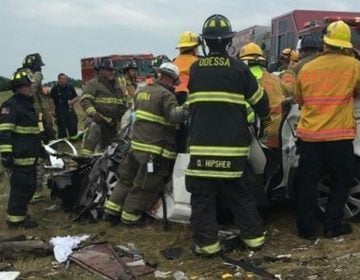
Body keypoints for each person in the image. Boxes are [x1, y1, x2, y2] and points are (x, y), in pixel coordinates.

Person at [186, 14, 270, 257]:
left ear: (206, 42)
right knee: (241, 196)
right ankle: (253, 239)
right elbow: (261, 104)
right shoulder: (239, 68)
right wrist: (266, 119)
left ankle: (207, 245)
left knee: (202, 200)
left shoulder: (195, 69)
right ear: (229, 41)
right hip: (233, 151)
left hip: (201, 151)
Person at [294, 20, 360, 240]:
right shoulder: (353, 66)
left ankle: (306, 230)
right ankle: (332, 226)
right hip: (338, 137)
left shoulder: (306, 68)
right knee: (341, 180)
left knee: (307, 183)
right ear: (346, 44)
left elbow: (299, 100)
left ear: (325, 42)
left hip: (309, 136)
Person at [103, 62, 188, 225]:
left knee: (126, 180)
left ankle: (111, 212)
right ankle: (130, 217)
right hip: (154, 151)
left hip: (135, 147)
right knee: (145, 185)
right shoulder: (166, 96)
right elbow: (174, 116)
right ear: (171, 78)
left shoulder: (142, 92)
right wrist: (189, 106)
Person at [0, 69, 46, 228]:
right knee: (21, 188)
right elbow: (5, 131)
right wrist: (6, 153)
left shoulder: (27, 105)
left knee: (29, 186)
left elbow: (32, 132)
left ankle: (20, 214)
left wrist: (40, 149)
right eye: (27, 86)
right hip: (19, 156)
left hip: (30, 154)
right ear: (19, 88)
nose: (30, 88)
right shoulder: (11, 105)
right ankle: (15, 221)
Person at [239, 42, 294, 149]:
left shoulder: (238, 81)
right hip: (277, 138)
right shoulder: (274, 79)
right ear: (263, 61)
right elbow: (291, 91)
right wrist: (289, 72)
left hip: (249, 138)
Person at [21, 53, 54, 202]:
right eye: (39, 68)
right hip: (32, 124)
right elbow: (31, 90)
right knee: (38, 157)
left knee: (42, 154)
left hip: (40, 122)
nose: (41, 70)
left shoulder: (34, 82)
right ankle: (37, 189)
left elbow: (42, 102)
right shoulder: (28, 79)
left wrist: (49, 123)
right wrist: (37, 76)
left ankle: (38, 187)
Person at [80, 58, 127, 155]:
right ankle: (85, 159)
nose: (111, 72)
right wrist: (93, 114)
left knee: (109, 151)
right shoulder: (93, 84)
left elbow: (121, 104)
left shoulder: (117, 86)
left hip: (111, 123)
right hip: (97, 120)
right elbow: (85, 100)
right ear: (101, 71)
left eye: (112, 70)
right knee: (93, 131)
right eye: (108, 70)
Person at [173, 31, 201, 153]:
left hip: (174, 95)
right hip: (189, 96)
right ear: (194, 48)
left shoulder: (174, 62)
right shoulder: (198, 62)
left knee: (178, 130)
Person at [50, 73, 78, 140]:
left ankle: (73, 137)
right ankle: (63, 139)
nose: (63, 80)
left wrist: (72, 102)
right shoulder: (55, 88)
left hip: (69, 109)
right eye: (61, 79)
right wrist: (52, 110)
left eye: (64, 78)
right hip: (59, 109)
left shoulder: (70, 87)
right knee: (61, 125)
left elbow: (76, 97)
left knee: (73, 123)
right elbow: (51, 100)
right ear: (58, 80)